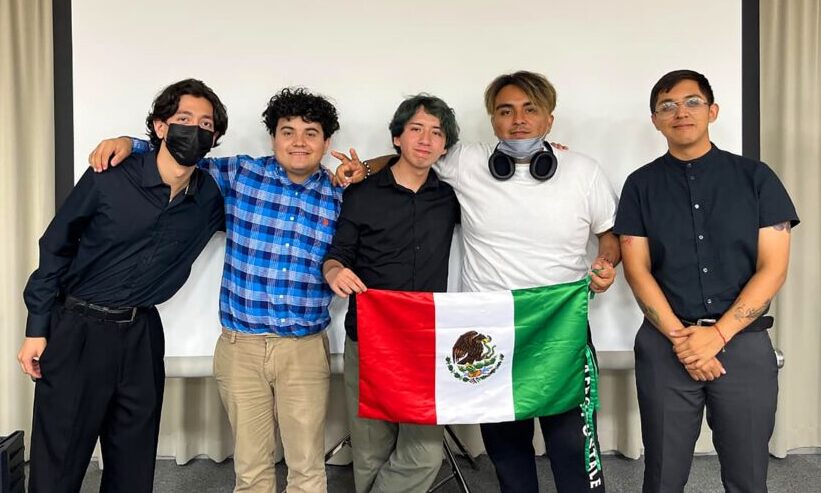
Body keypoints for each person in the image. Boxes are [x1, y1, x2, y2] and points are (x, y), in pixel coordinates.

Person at [336, 70, 618, 492]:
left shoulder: (584, 171)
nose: (518, 120)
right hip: (491, 331)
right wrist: (362, 169)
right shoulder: (465, 161)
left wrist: (606, 263)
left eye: (530, 109)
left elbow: (608, 235)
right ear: (493, 119)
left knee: (571, 443)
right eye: (506, 111)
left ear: (549, 119)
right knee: (506, 446)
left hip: (559, 326)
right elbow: (413, 155)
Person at [88, 88, 342, 492]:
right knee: (252, 469)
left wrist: (364, 169)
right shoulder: (241, 174)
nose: (299, 142)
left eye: (311, 133)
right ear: (273, 138)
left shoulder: (340, 193)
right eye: (287, 131)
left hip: (304, 349)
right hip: (241, 348)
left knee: (307, 469)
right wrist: (129, 143)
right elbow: (179, 157)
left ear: (326, 143)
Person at [19, 78, 227, 492]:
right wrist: (36, 328)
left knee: (133, 466)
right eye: (184, 119)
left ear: (214, 138)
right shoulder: (109, 177)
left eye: (205, 124)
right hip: (77, 329)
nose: (195, 130)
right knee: (57, 467)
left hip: (141, 335)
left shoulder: (209, 198)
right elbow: (55, 246)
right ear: (161, 127)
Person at [614, 69, 799, 493]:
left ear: (712, 111)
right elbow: (637, 270)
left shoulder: (757, 178)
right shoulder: (640, 185)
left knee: (748, 476)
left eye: (692, 102)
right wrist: (685, 342)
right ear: (656, 120)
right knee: (662, 477)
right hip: (666, 344)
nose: (681, 112)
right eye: (667, 106)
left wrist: (716, 335)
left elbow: (773, 268)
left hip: (743, 345)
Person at [323, 94, 460, 492]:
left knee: (425, 453)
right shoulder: (361, 193)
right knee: (370, 450)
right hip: (369, 337)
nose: (425, 140)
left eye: (436, 133)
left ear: (445, 146)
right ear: (397, 137)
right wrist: (334, 271)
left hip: (424, 340)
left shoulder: (450, 197)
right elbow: (338, 253)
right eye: (416, 129)